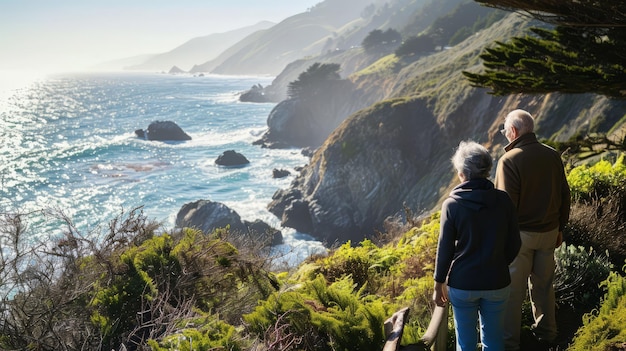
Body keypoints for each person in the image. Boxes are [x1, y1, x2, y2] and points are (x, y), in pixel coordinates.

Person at [433, 140, 521, 351]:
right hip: (497, 281)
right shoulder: (504, 200)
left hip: (463, 283)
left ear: (462, 172)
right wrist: (498, 262)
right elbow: (515, 242)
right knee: (494, 340)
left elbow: (445, 248)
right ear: (487, 170)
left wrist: (438, 284)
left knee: (465, 343)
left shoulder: (452, 205)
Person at [495, 109, 571, 350]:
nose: (505, 134)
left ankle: (510, 344)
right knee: (544, 287)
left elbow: (505, 208)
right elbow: (564, 195)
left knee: (512, 293)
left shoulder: (509, 160)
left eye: (505, 130)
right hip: (549, 233)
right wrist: (560, 228)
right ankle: (548, 335)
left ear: (514, 131)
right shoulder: (552, 155)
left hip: (520, 238)